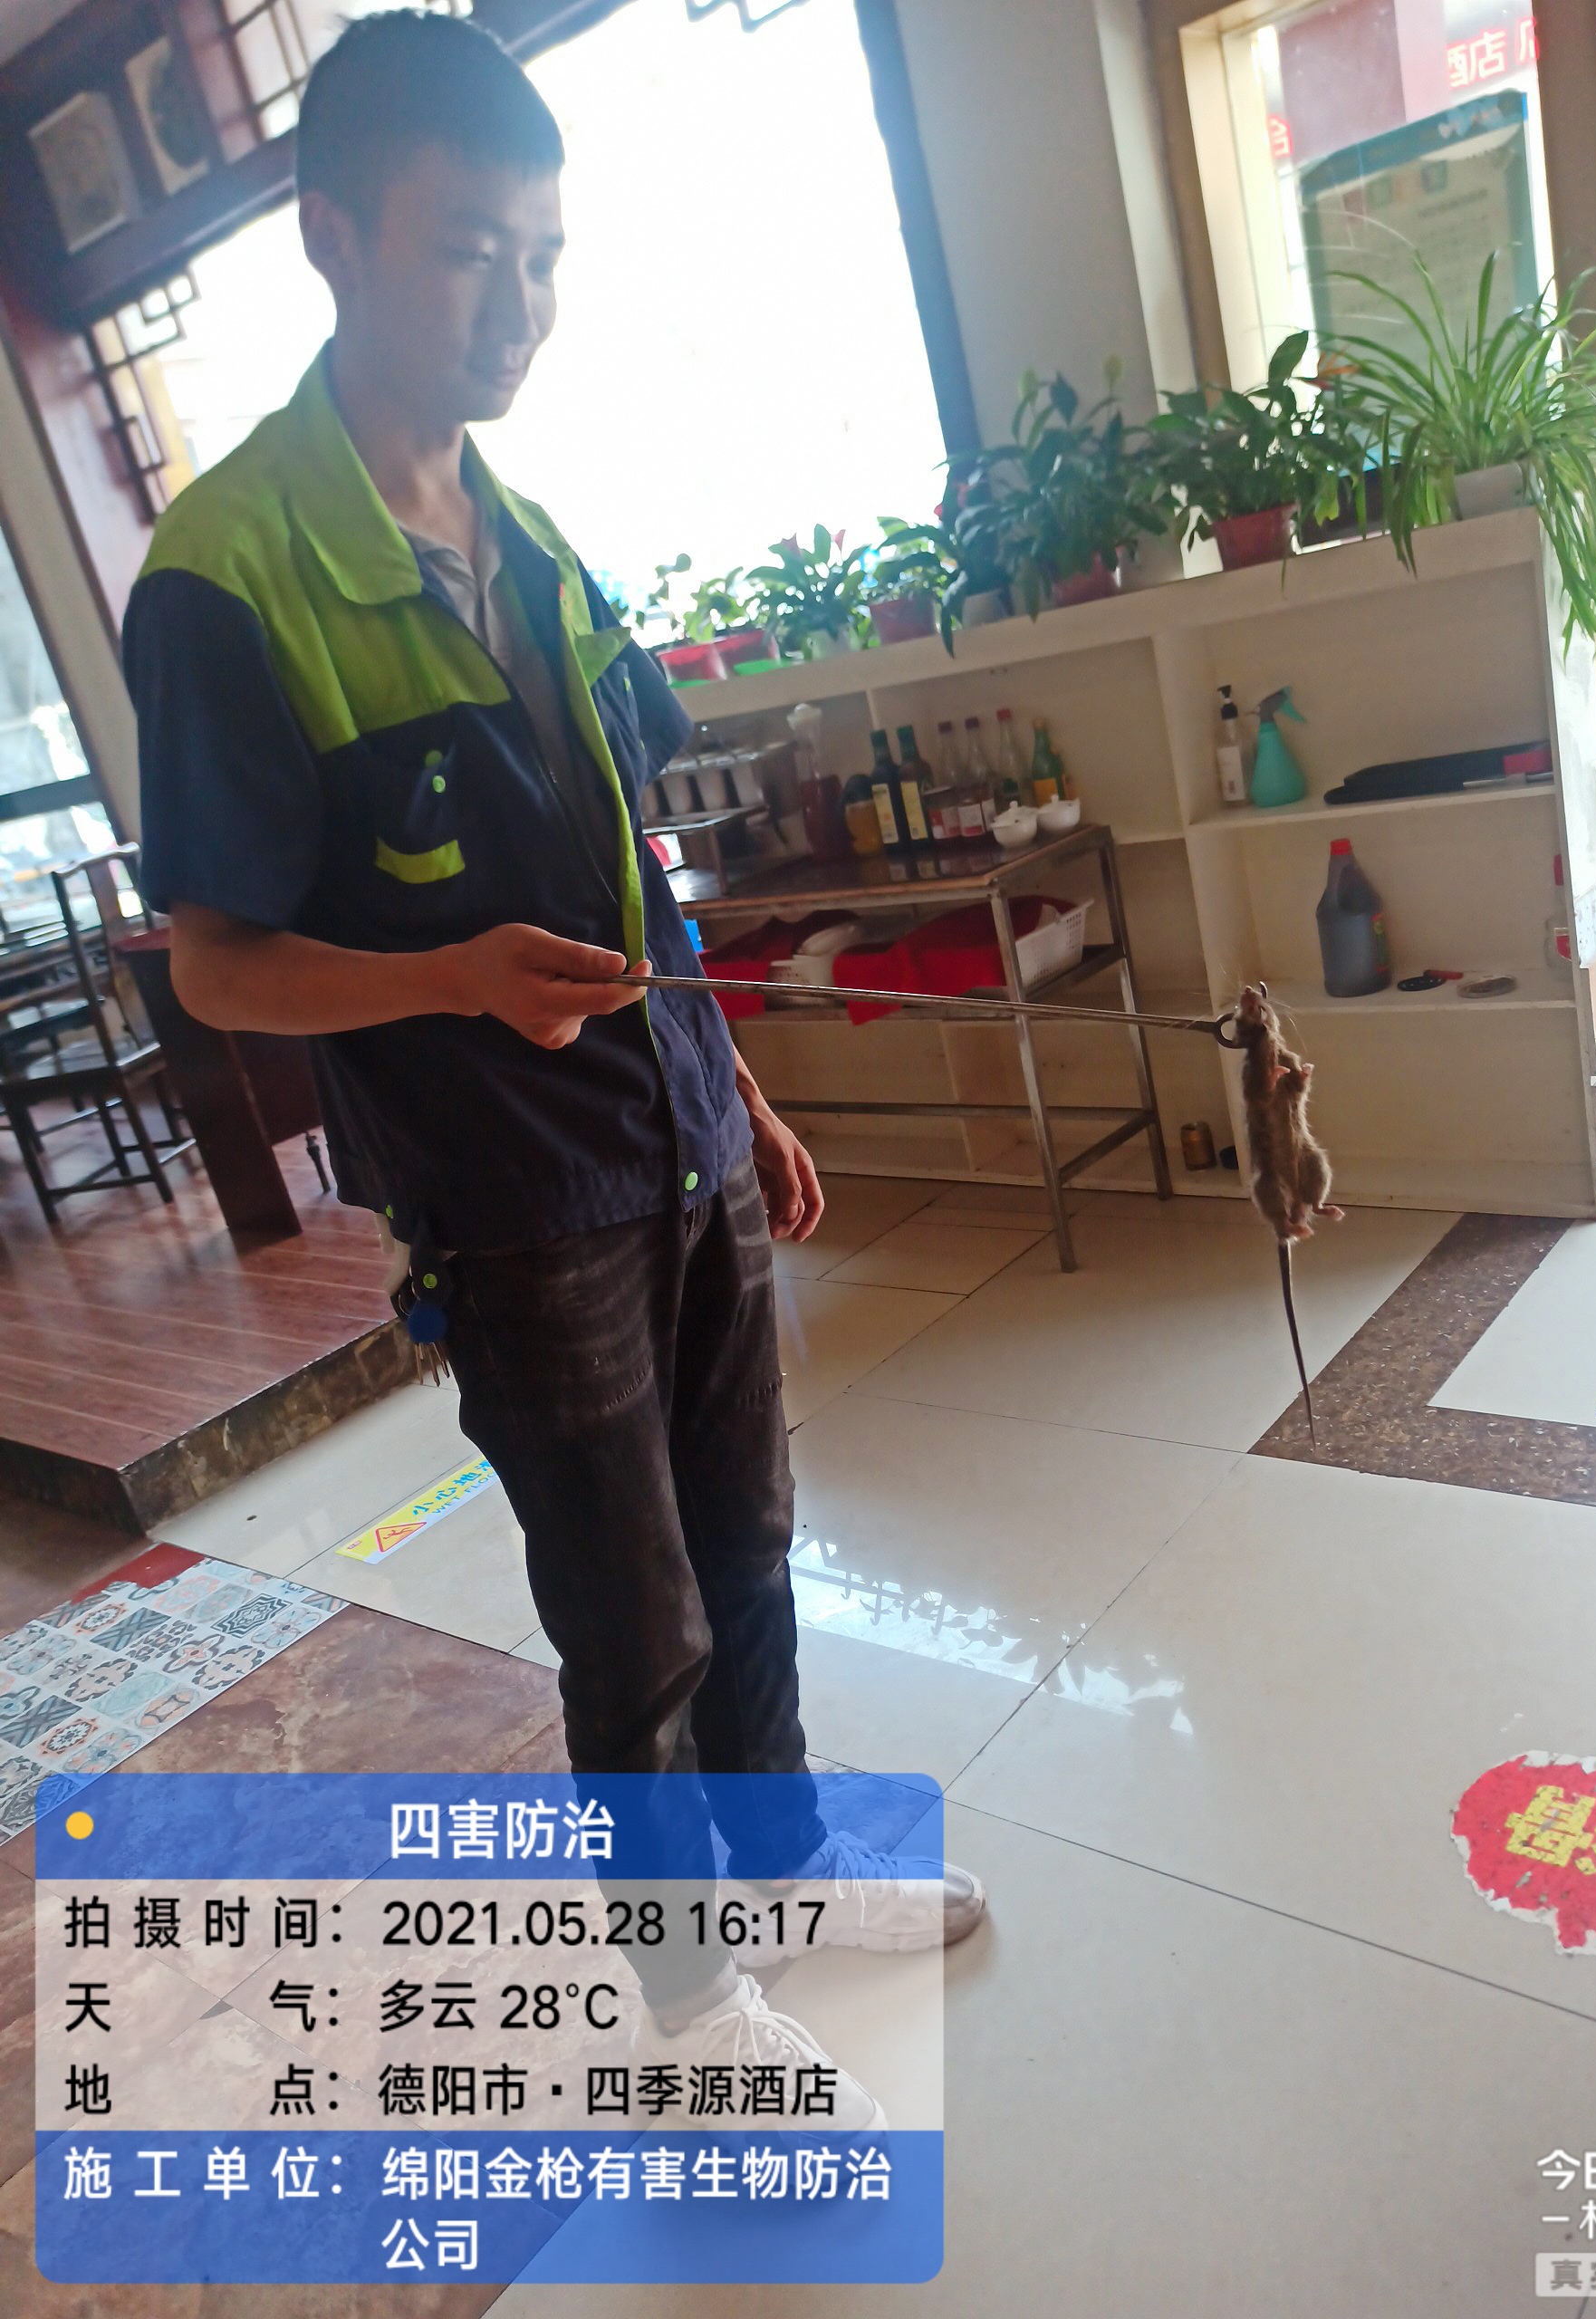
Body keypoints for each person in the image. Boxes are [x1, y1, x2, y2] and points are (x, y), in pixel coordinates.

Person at [123, 10, 982, 2116]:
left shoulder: (541, 540)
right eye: (467, 254)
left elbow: (642, 865)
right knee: (634, 1611)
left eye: (546, 257)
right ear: (334, 238)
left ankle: (791, 1876)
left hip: (676, 1136)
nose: (518, 309)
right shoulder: (230, 579)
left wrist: (741, 1090)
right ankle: (691, 2004)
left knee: (750, 1539)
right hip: (515, 1202)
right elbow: (216, 965)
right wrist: (448, 978)